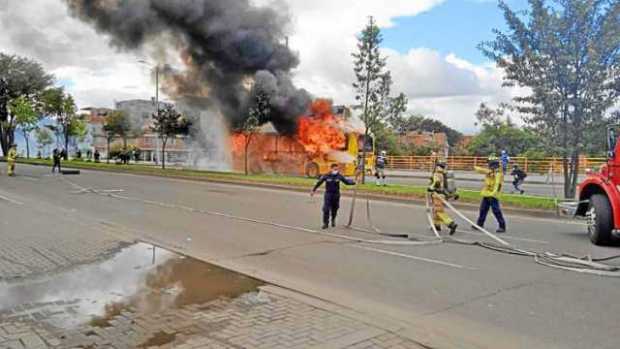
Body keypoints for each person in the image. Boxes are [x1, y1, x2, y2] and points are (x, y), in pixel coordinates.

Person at [311, 163, 356, 229]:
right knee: (326, 209)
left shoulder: (339, 176)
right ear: (331, 169)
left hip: (336, 194)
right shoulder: (326, 176)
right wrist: (313, 190)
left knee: (335, 208)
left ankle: (333, 219)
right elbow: (319, 182)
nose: (336, 170)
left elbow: (347, 182)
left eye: (337, 169)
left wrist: (354, 182)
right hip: (328, 194)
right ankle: (325, 223)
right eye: (335, 169)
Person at [473, 155, 507, 233]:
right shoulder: (490, 171)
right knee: (483, 210)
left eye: (489, 164)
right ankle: (479, 224)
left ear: (493, 164)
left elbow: (497, 184)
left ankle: (502, 226)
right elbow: (482, 170)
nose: (488, 165)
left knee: (496, 211)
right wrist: (475, 167)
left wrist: (493, 193)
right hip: (487, 194)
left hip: (493, 195)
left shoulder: (498, 173)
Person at [428, 161, 458, 235]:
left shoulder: (437, 174)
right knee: (435, 211)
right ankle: (437, 225)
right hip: (443, 195)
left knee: (439, 211)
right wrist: (454, 194)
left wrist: (430, 188)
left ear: (438, 166)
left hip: (438, 195)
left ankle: (451, 224)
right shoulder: (444, 174)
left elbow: (437, 183)